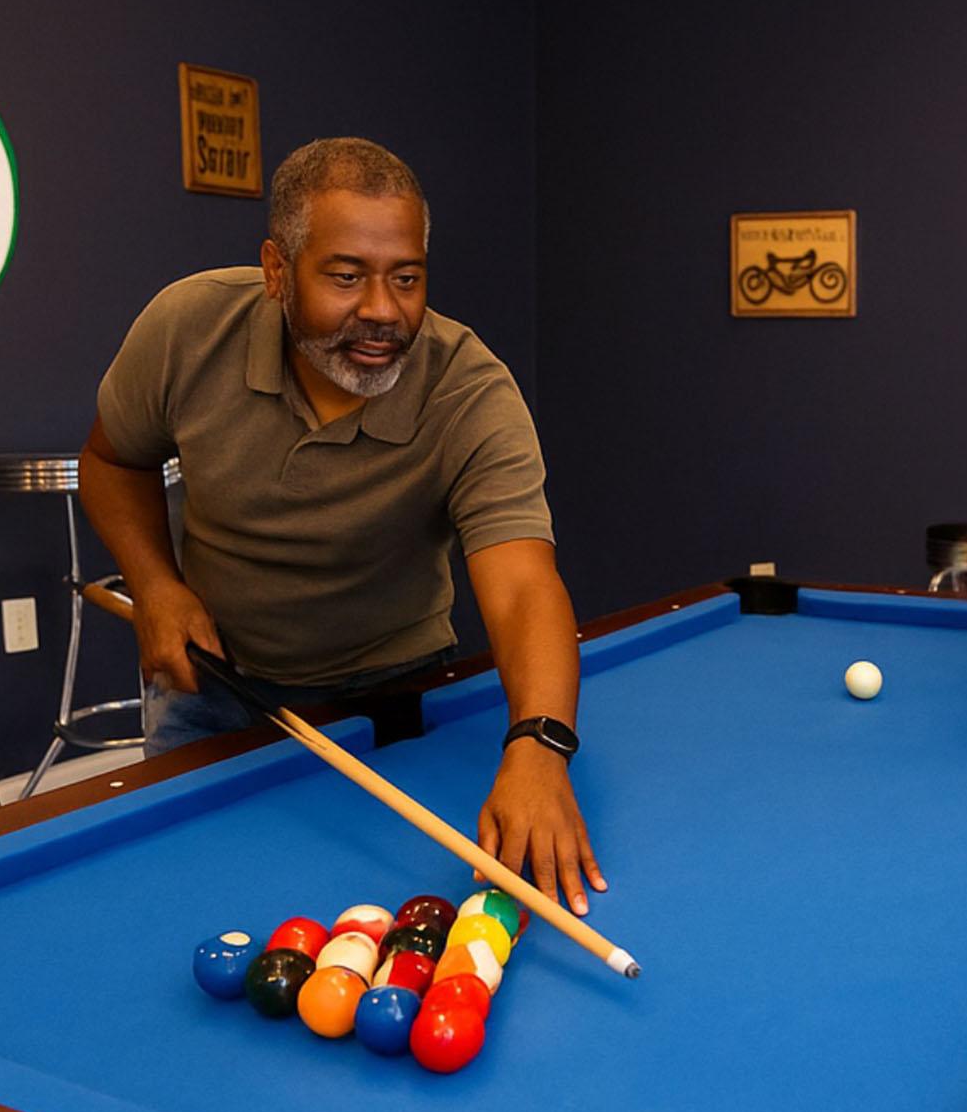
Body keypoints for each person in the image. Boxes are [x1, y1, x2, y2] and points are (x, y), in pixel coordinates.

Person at [77, 137, 606, 913]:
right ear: (277, 270)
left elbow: (524, 584)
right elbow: (112, 460)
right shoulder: (187, 327)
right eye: (346, 275)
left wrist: (541, 743)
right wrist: (156, 586)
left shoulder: (469, 390)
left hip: (392, 695)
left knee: (369, 897)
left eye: (406, 277)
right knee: (187, 906)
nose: (383, 311)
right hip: (213, 684)